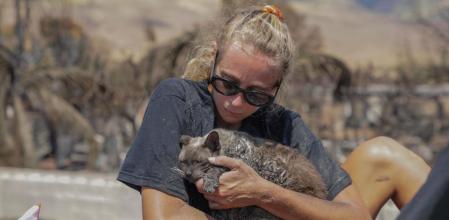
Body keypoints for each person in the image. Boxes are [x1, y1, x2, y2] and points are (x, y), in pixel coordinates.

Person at [117, 5, 430, 219]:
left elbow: (354, 214)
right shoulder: (179, 99)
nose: (237, 103)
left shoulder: (284, 124)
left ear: (276, 87)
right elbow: (164, 214)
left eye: (256, 94)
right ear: (214, 59)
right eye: (227, 83)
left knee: (384, 157)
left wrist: (264, 193)